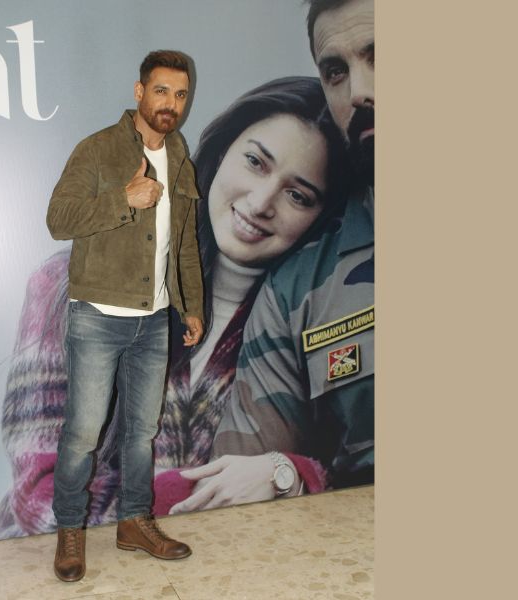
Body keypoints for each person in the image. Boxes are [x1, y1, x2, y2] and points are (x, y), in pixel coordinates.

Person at [0, 78, 345, 545]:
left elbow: (341, 476)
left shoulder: (299, 325)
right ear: (221, 151)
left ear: (322, 217)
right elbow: (44, 499)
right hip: (47, 567)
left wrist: (287, 474)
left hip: (208, 572)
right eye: (256, 162)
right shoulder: (71, 282)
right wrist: (218, 497)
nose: (261, 203)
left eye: (299, 195)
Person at [169, 0, 375, 515]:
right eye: (336, 71)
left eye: (386, 55)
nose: (360, 90)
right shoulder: (295, 290)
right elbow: (230, 499)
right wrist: (292, 475)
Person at [46, 49, 204, 583]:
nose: (171, 104)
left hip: (154, 319)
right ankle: (70, 529)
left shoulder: (180, 157)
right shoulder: (98, 149)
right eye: (161, 91)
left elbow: (184, 243)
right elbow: (58, 219)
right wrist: (124, 198)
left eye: (180, 94)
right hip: (97, 315)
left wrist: (191, 305)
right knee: (83, 433)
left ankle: (135, 521)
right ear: (139, 92)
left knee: (142, 432)